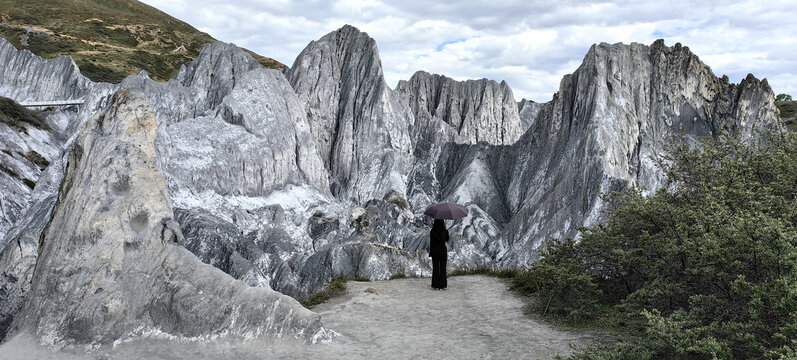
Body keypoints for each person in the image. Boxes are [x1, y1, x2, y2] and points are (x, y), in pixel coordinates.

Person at [429, 219, 449, 290]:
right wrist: (446, 230)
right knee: (443, 268)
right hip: (443, 250)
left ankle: (435, 284)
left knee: (436, 268)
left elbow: (431, 243)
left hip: (435, 250)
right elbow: (447, 239)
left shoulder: (432, 231)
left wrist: (430, 253)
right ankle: (443, 285)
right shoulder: (445, 231)